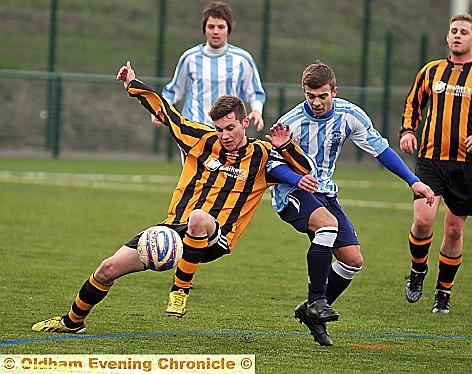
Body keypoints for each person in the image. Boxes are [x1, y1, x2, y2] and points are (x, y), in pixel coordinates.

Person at [31, 61, 313, 334]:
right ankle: (72, 321)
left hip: (218, 236)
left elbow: (304, 172)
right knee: (108, 268)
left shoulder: (262, 156)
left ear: (246, 121)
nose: (225, 135)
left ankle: (179, 291)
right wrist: (132, 83)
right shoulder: (203, 140)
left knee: (199, 217)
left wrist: (286, 146)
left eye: (231, 128)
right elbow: (168, 114)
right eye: (219, 129)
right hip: (173, 228)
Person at [270, 61, 435, 346]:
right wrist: (297, 180)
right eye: (311, 96)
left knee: (352, 261)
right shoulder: (291, 123)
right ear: (303, 92)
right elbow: (270, 166)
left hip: (324, 192)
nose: (317, 102)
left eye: (323, 95)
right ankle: (318, 301)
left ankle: (311, 310)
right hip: (291, 192)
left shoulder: (349, 115)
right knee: (327, 225)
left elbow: (380, 150)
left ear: (334, 91)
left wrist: (413, 181)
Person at [399, 14, 472, 314]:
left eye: (463, 32)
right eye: (453, 31)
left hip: (466, 165)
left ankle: (443, 292)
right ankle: (418, 271)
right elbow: (413, 104)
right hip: (431, 159)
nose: (457, 35)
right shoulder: (431, 70)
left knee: (454, 231)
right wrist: (408, 130)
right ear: (447, 37)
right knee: (423, 220)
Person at [154, 1, 266, 165]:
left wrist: (257, 110)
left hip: (228, 132)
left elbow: (255, 91)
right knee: (194, 183)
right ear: (204, 28)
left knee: (224, 184)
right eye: (211, 26)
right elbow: (173, 90)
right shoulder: (190, 58)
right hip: (194, 130)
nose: (215, 31)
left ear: (228, 29)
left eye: (220, 27)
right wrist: (159, 109)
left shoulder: (242, 59)